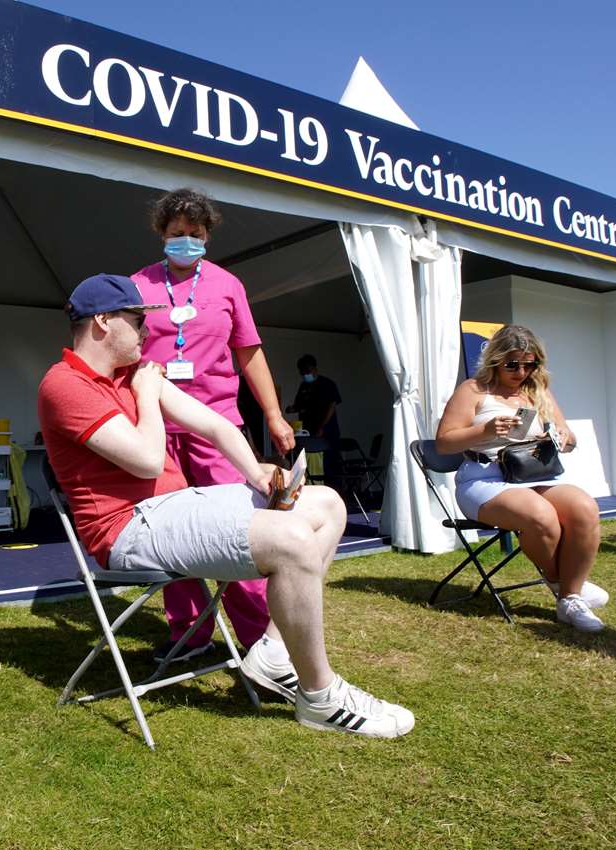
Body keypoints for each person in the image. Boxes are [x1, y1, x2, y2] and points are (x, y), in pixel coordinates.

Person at [38, 273, 414, 738]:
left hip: (175, 508)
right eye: (137, 321)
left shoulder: (134, 375)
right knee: (292, 538)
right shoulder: (65, 385)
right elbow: (147, 460)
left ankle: (274, 656)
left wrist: (256, 471)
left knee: (327, 505)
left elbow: (215, 426)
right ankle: (319, 697)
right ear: (102, 322)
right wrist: (148, 398)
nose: (146, 331)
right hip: (127, 529)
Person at [130, 188, 296, 664]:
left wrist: (272, 413)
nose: (186, 241)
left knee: (237, 529)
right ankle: (190, 633)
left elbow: (249, 352)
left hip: (217, 425)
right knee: (168, 531)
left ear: (208, 237)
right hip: (155, 425)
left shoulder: (227, 285)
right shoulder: (138, 284)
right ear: (162, 234)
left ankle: (260, 638)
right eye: (177, 234)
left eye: (195, 234)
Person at [434, 324, 609, 632]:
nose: (522, 371)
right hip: (483, 480)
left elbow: (570, 440)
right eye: (512, 364)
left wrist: (561, 437)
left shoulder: (536, 391)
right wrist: (484, 431)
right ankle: (567, 592)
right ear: (495, 360)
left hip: (531, 474)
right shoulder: (473, 390)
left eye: (530, 364)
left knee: (584, 507)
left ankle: (569, 595)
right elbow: (444, 443)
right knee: (540, 515)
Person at [286, 354, 345, 492]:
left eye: (307, 371)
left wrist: (322, 427)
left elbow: (331, 406)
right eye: (302, 372)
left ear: (314, 368)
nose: (305, 374)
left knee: (330, 465)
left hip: (327, 432)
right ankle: (309, 490)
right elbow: (299, 404)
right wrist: (292, 408)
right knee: (306, 463)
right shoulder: (304, 386)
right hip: (308, 432)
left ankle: (335, 493)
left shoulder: (327, 384)